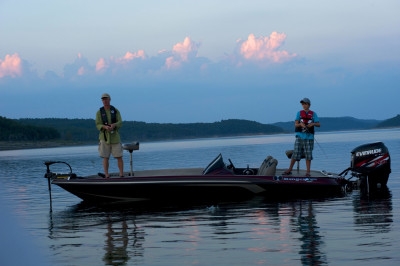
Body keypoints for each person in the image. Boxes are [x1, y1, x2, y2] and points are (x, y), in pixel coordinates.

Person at [283, 97, 320, 177]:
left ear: (309, 105)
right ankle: (289, 170)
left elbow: (318, 124)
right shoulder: (299, 113)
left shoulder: (314, 114)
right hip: (299, 136)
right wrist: (300, 124)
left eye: (305, 104)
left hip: (309, 137)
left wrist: (312, 124)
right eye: (302, 104)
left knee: (308, 155)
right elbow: (296, 124)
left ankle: (308, 172)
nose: (304, 105)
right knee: (295, 153)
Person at [95, 93, 124, 178]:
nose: (105, 101)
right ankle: (106, 175)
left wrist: (114, 125)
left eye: (106, 99)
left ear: (109, 99)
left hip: (115, 137)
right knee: (105, 157)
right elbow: (98, 124)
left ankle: (121, 174)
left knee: (119, 156)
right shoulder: (99, 112)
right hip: (104, 137)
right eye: (103, 99)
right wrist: (104, 127)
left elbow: (120, 122)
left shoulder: (115, 110)